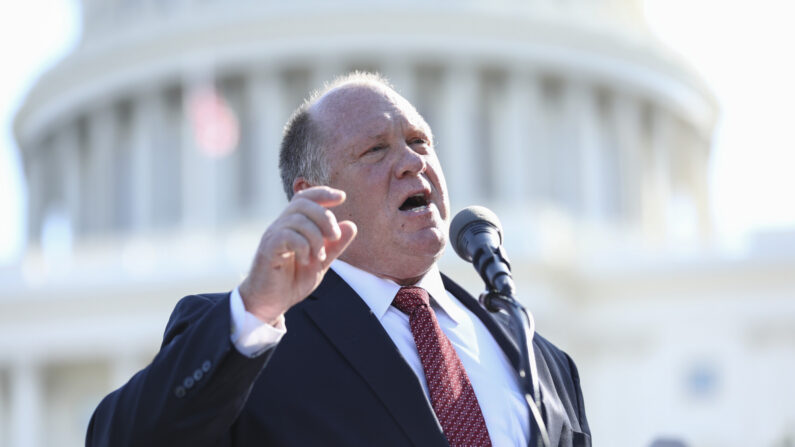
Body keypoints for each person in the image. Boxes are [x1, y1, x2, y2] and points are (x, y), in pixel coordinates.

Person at [86, 72, 590, 447]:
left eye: (420, 142)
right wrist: (255, 309)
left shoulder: (541, 359)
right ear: (314, 196)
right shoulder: (251, 343)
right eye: (375, 150)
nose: (413, 162)